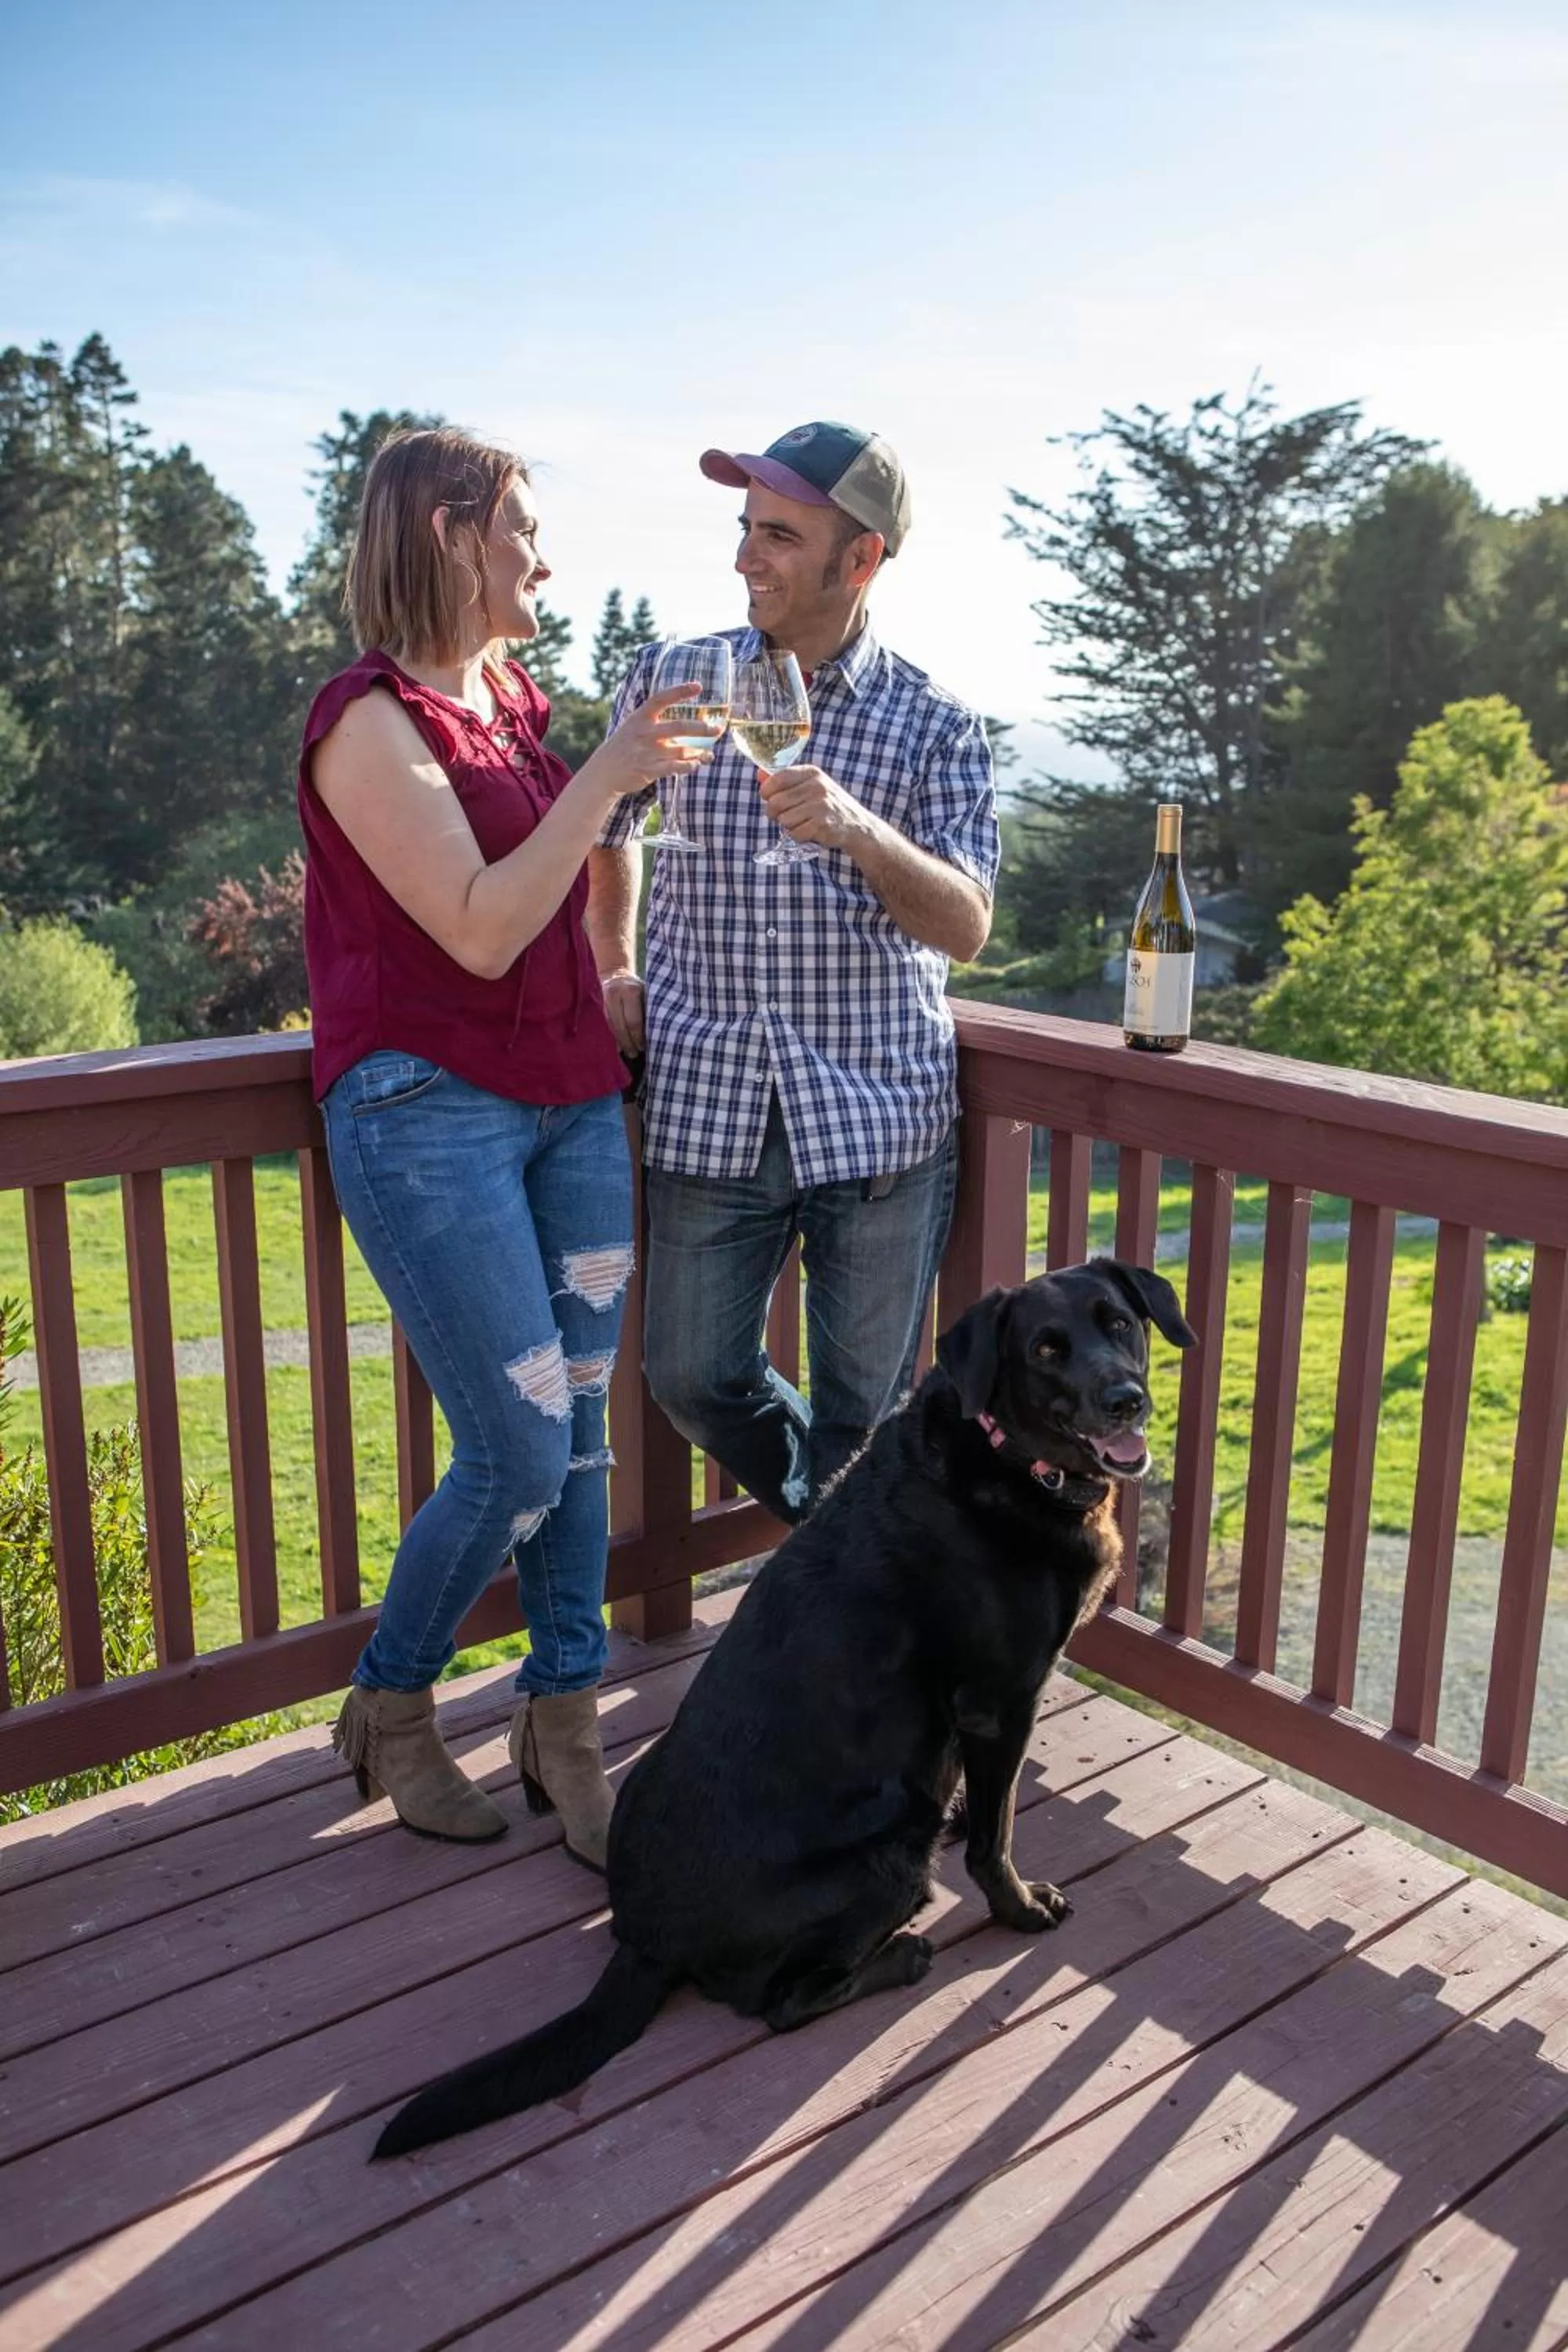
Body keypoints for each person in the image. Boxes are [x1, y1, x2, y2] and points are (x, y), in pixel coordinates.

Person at [299, 426, 714, 1861]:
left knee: (583, 1438)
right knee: (521, 1447)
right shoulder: (367, 722)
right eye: (522, 527)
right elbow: (476, 925)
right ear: (445, 536)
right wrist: (604, 772)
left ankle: (565, 1716)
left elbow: (579, 872)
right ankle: (394, 1703)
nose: (544, 554)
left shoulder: (512, 701)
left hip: (574, 1100)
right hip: (430, 1114)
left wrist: (613, 959)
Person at [586, 421, 1000, 1522]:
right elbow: (606, 823)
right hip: (709, 1101)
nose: (745, 558)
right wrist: (613, 963)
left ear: (859, 561)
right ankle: (850, 1546)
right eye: (745, 530)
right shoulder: (675, 677)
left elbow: (966, 926)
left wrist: (860, 830)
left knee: (870, 1418)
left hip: (877, 1117)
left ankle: (844, 1619)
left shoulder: (937, 725)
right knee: (690, 1376)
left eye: (778, 534)